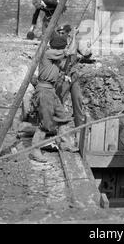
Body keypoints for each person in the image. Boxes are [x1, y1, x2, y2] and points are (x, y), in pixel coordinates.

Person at [29, 28, 78, 162]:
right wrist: (74, 36)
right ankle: (35, 150)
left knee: (62, 116)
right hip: (44, 91)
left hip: (50, 90)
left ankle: (65, 144)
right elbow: (71, 51)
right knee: (46, 123)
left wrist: (68, 59)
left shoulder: (54, 57)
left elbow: (64, 65)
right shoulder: (49, 53)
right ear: (59, 48)